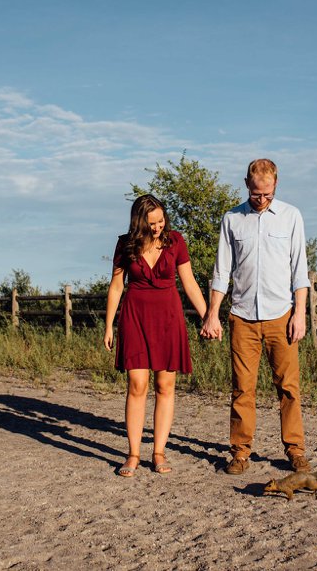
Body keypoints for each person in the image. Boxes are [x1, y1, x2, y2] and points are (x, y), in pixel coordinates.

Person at [200, 159, 312, 475]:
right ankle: (240, 452)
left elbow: (299, 270)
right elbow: (222, 271)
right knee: (242, 388)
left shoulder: (291, 216)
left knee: (289, 388)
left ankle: (295, 450)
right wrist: (212, 315)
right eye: (256, 194)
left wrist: (299, 314)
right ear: (247, 184)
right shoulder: (232, 219)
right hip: (242, 316)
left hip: (282, 315)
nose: (261, 200)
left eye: (267, 194)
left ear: (275, 185)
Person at [104, 194, 207, 477]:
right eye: (152, 222)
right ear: (139, 222)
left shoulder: (175, 241)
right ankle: (133, 453)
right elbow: (116, 287)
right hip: (135, 317)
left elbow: (190, 283)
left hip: (168, 319)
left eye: (161, 220)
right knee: (137, 384)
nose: (158, 226)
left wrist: (208, 316)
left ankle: (159, 451)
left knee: (165, 385)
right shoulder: (125, 244)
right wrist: (108, 325)